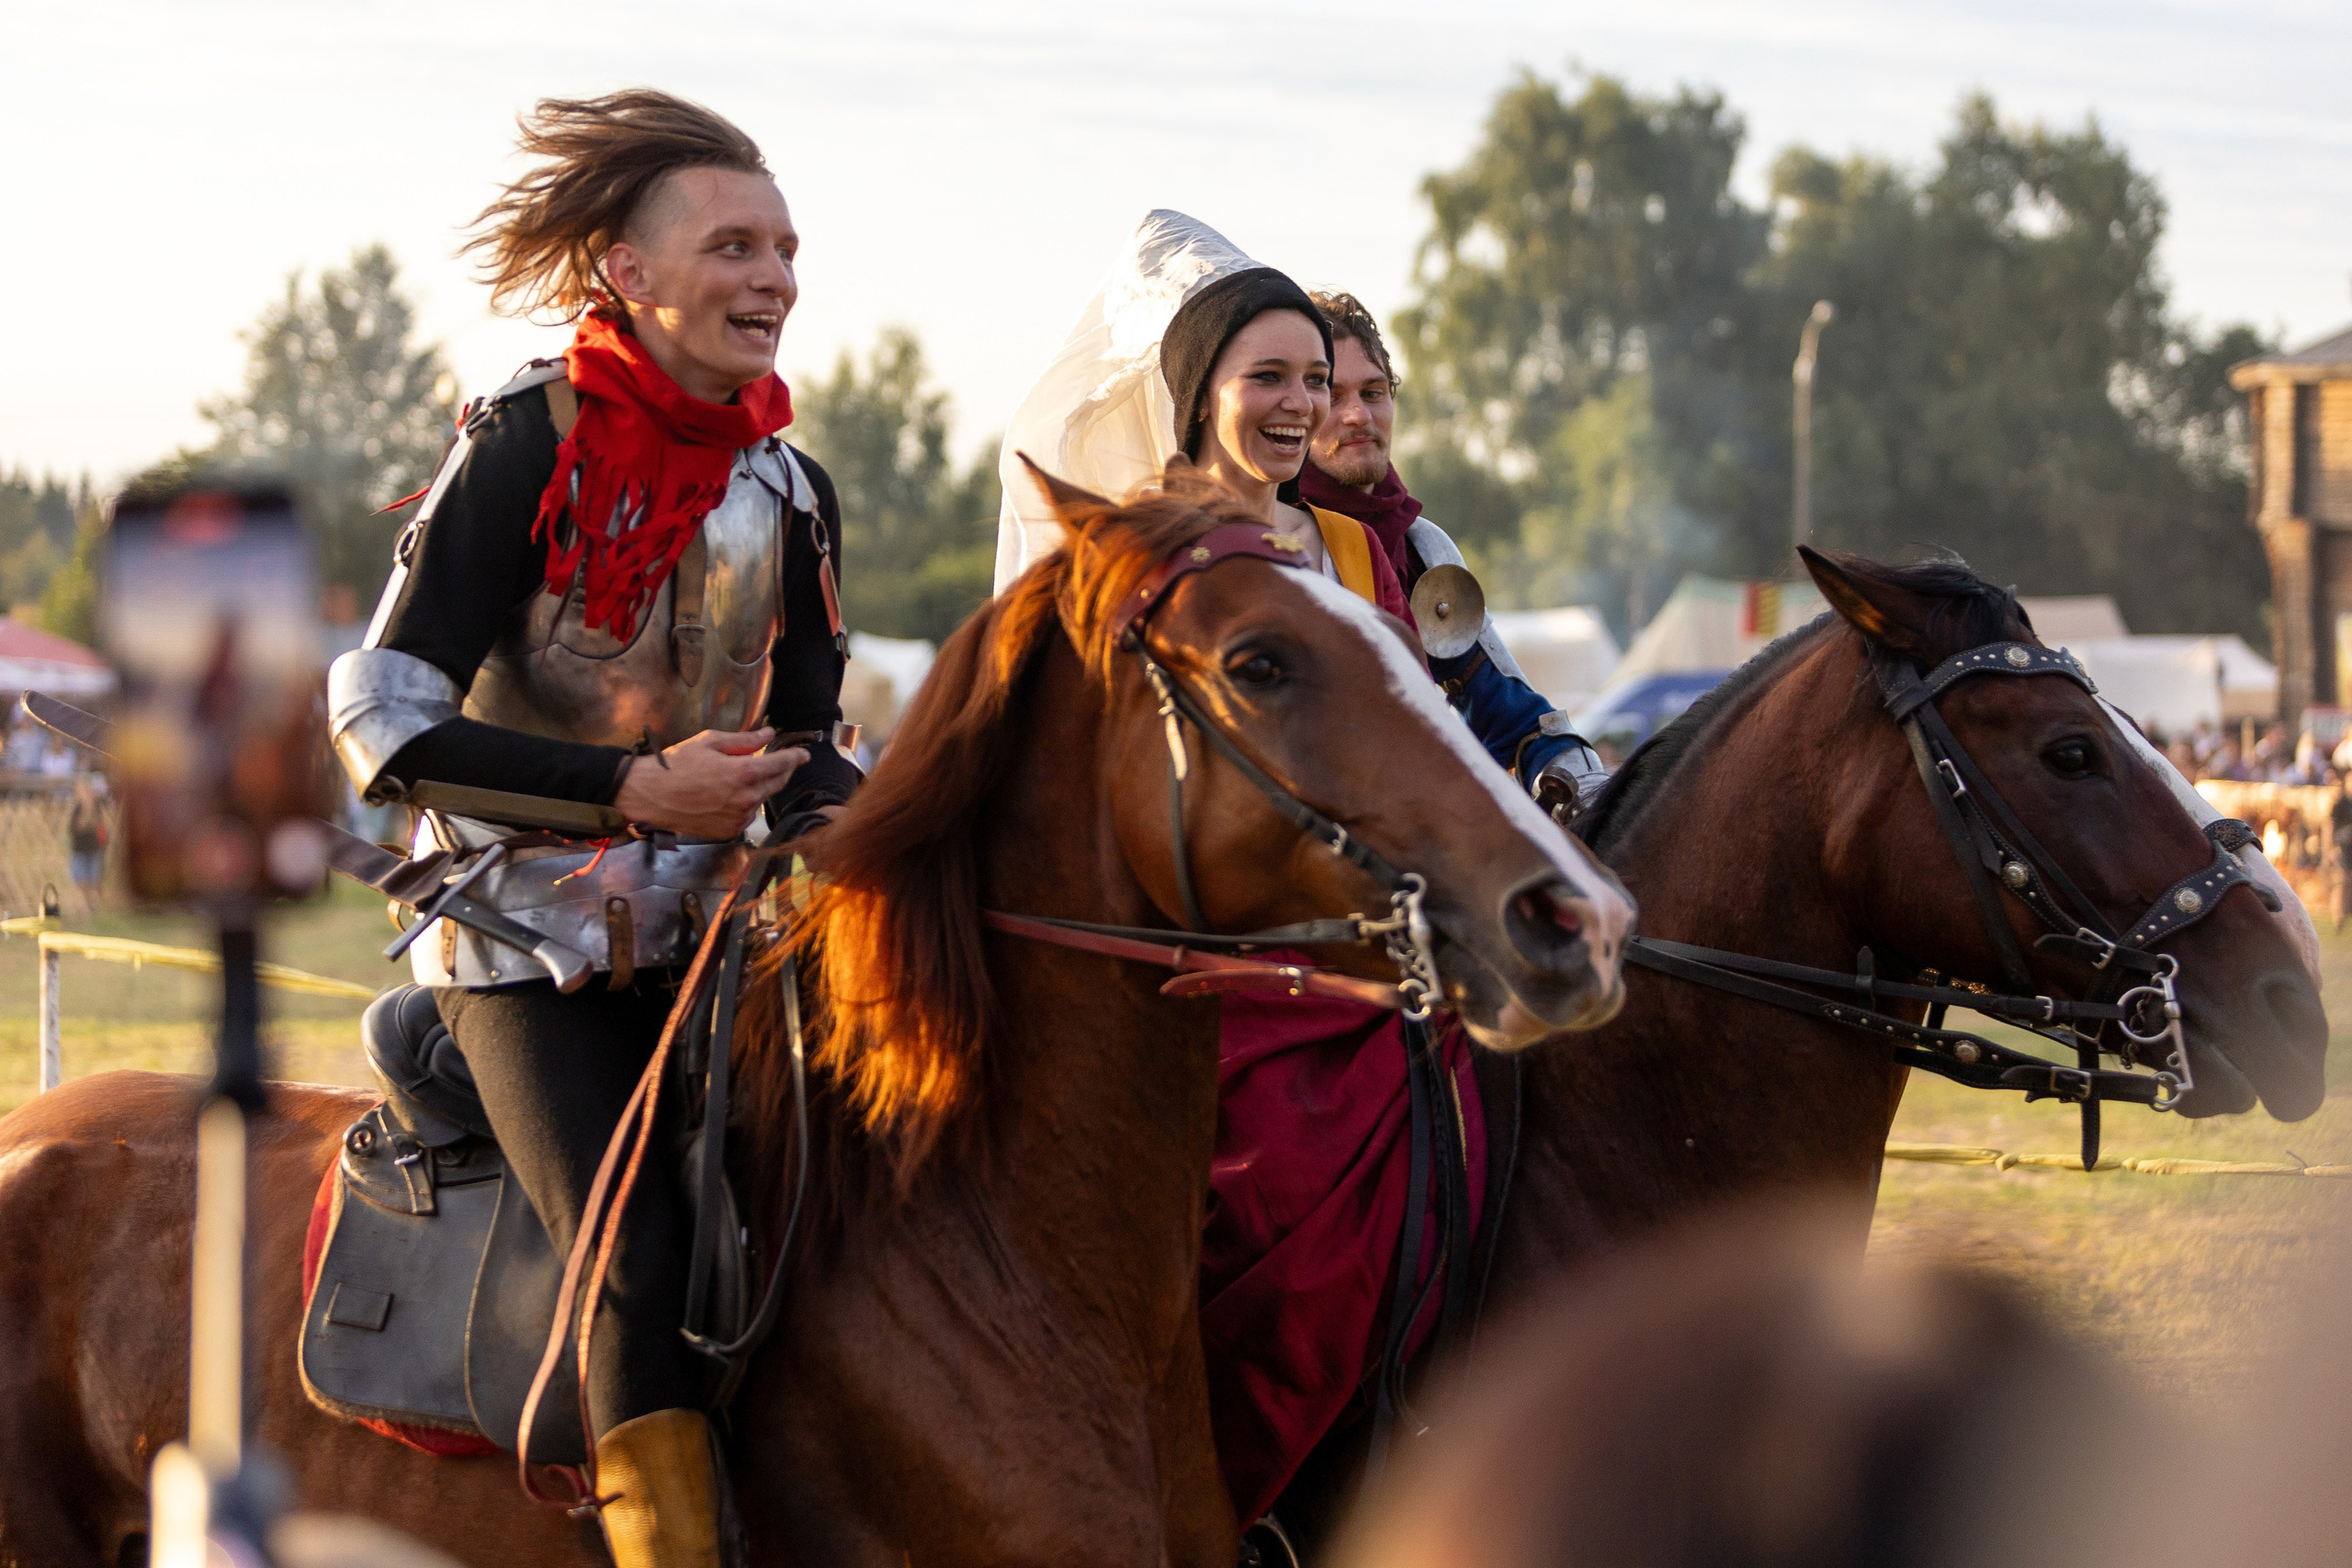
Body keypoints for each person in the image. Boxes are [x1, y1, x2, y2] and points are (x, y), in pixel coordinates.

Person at [326, 90, 858, 1568]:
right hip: (513, 935)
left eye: (789, 250)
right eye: (737, 247)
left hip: (722, 932)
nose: (776, 280)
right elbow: (381, 711)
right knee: (630, 1263)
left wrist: (889, 831)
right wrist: (631, 793)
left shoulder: (792, 484)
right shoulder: (524, 435)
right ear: (628, 271)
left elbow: (810, 740)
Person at [1298, 291, 1607, 817]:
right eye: (1333, 392)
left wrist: (1590, 785)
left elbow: (1508, 713)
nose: (1357, 414)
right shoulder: (1286, 543)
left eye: (1373, 392)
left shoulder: (1423, 545)